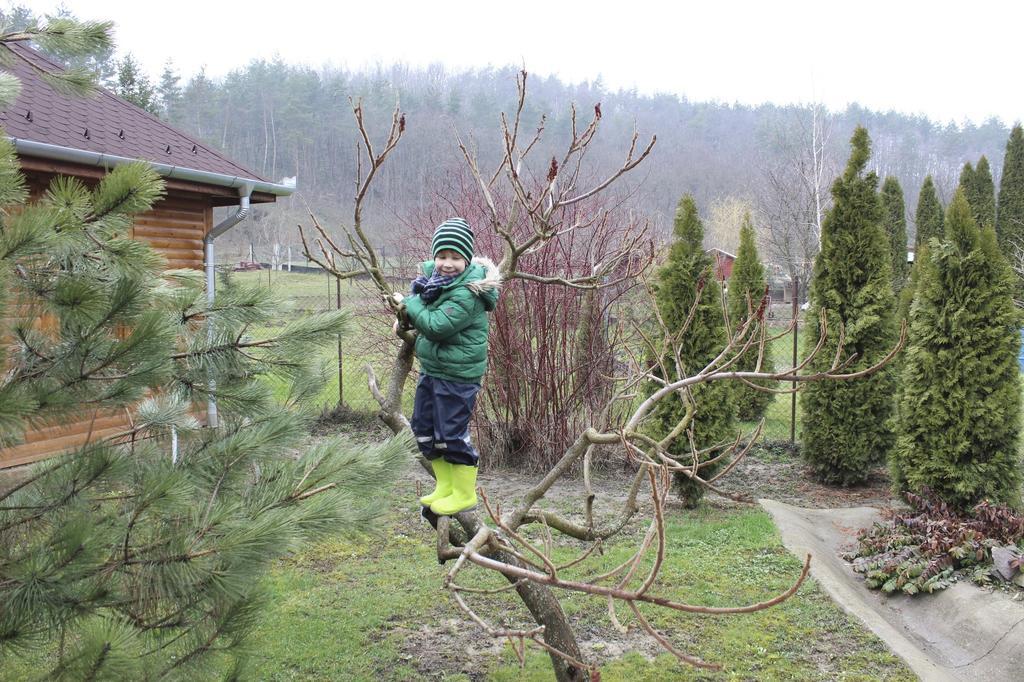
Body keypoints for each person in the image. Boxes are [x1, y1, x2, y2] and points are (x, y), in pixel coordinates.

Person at [393, 218, 500, 515]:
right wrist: (406, 316)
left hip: (458, 376)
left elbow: (436, 325)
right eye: (442, 256)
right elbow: (423, 317)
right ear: (434, 256)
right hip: (433, 370)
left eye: (455, 257)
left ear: (466, 259)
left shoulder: (469, 293)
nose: (447, 263)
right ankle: (445, 486)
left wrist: (410, 303)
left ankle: (464, 494)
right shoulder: (435, 285)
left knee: (451, 433)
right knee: (424, 429)